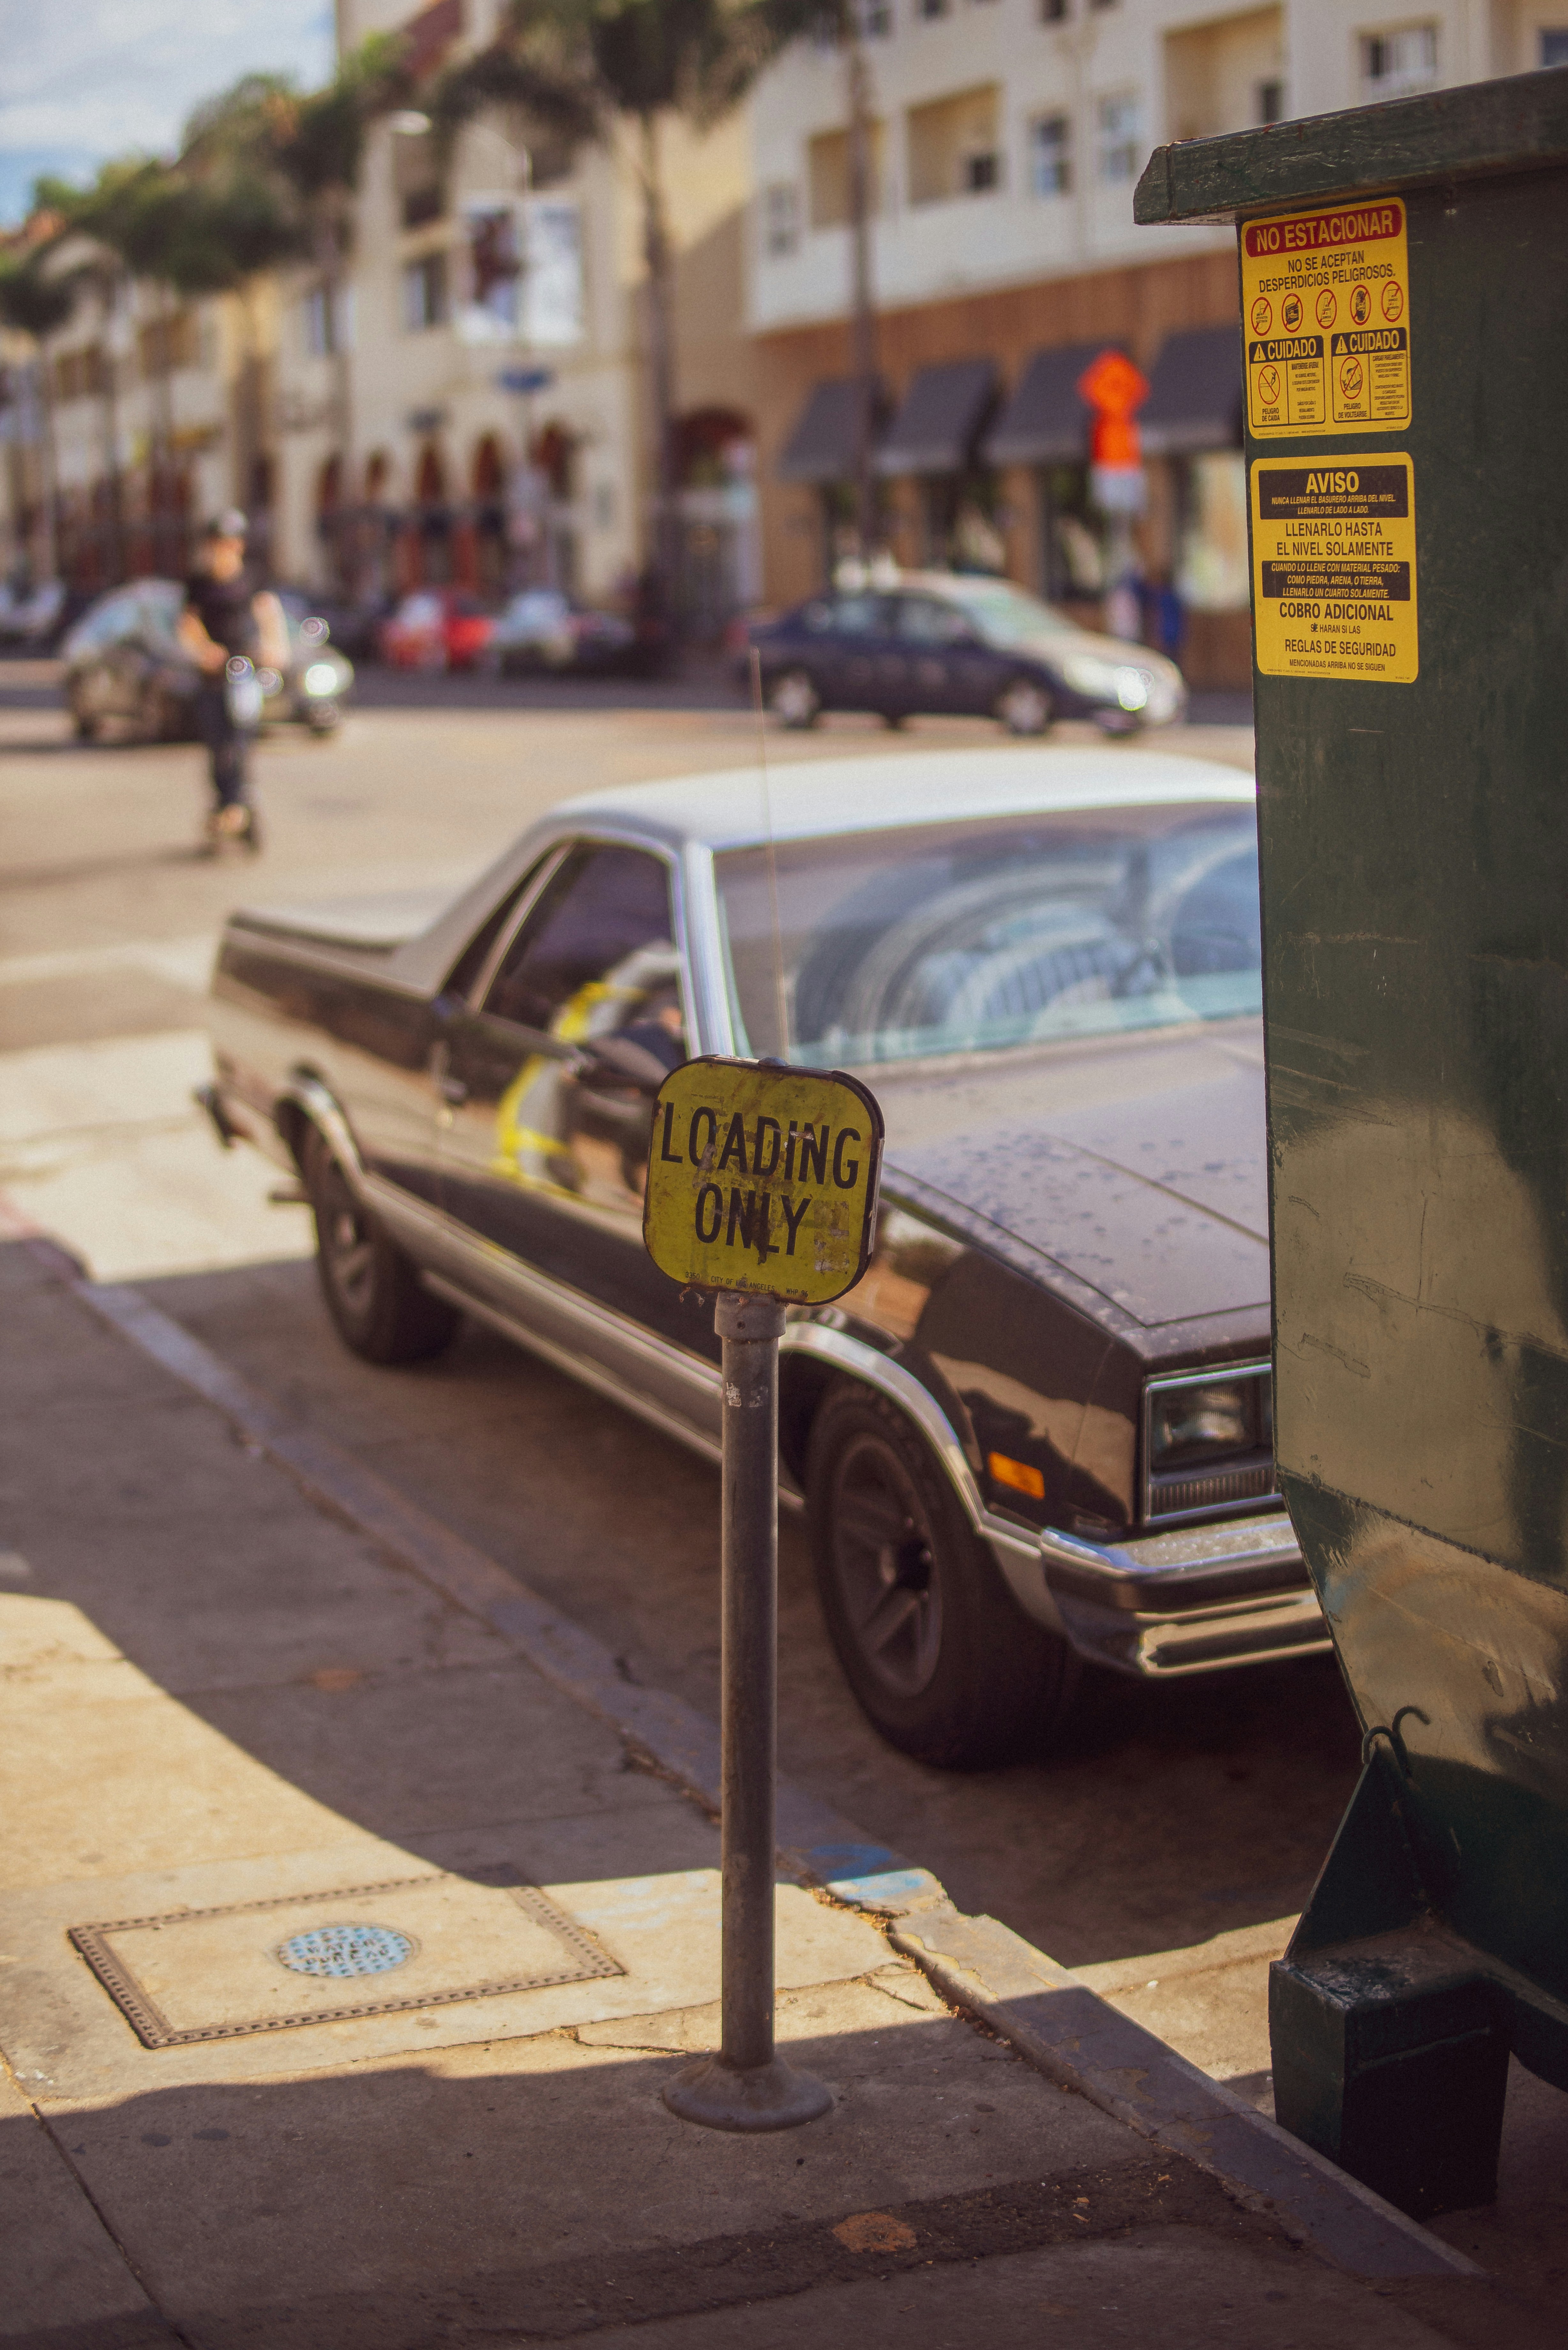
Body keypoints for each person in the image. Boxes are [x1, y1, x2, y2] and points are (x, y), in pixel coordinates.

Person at [177, 511, 288, 851]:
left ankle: (239, 805)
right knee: (217, 743)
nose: (223, 550)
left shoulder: (251, 578)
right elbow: (188, 625)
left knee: (240, 741)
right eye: (217, 544)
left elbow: (269, 615)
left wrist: (274, 648)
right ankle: (226, 804)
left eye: (229, 543)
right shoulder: (199, 582)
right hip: (213, 675)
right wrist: (202, 651)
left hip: (245, 671)